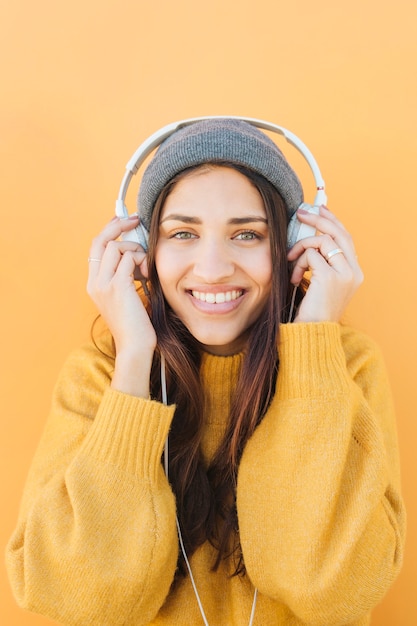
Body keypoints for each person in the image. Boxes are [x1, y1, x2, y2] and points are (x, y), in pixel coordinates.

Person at [6, 119, 405, 626]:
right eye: (183, 233)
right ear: (143, 253)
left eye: (247, 234)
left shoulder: (347, 367)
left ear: (294, 245)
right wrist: (134, 362)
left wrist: (313, 351)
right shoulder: (98, 377)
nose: (213, 268)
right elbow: (79, 600)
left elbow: (333, 591)